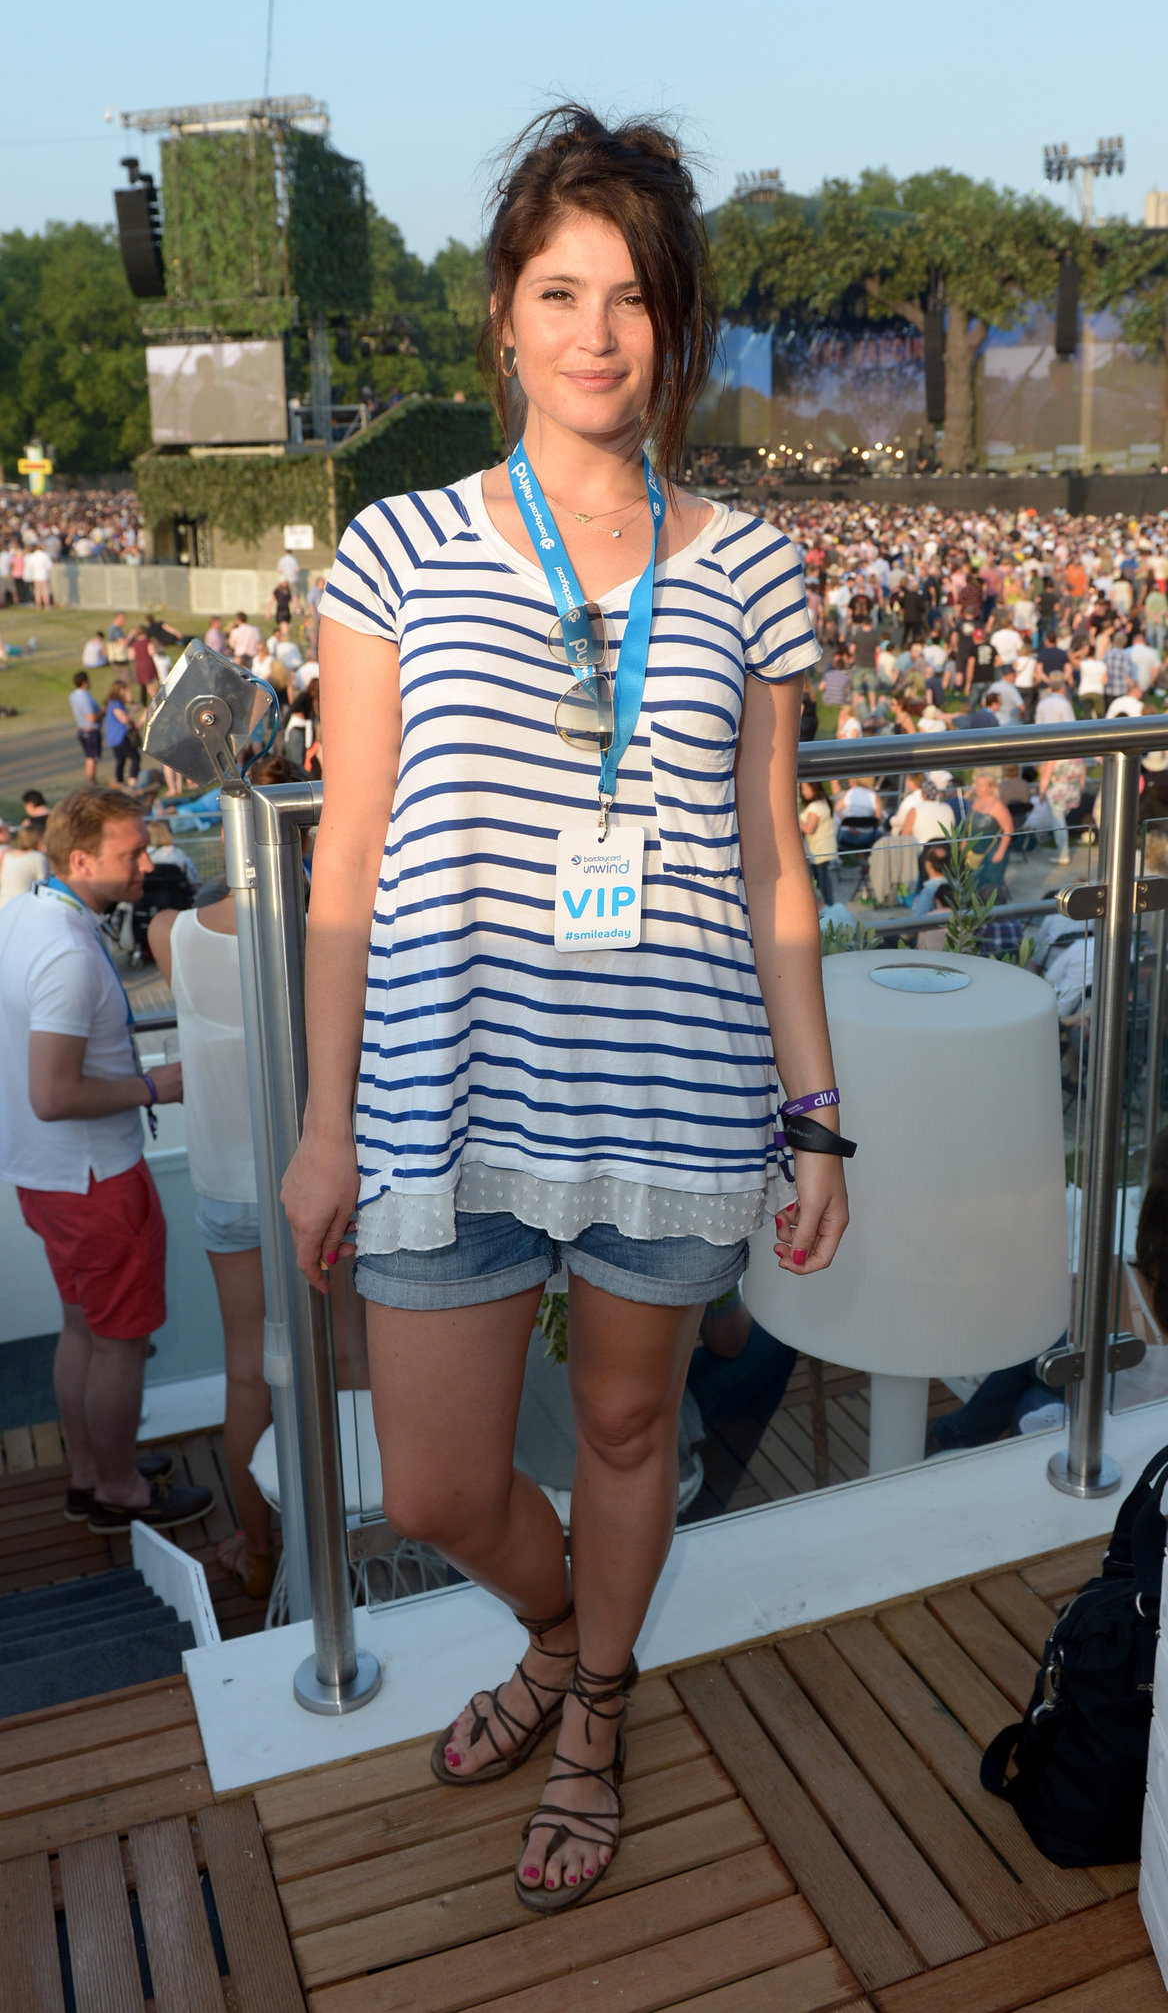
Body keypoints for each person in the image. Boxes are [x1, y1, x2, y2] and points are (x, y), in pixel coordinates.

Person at [279, 104, 850, 1912]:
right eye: (560, 288)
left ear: (670, 328)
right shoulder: (395, 550)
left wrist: (813, 1111)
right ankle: (551, 1632)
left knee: (623, 1433)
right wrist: (321, 1119)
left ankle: (592, 1702)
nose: (597, 331)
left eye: (632, 298)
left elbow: (771, 865)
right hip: (442, 1096)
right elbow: (344, 861)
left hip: (678, 1089)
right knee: (437, 1482)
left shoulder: (747, 562)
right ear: (503, 318)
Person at [0, 788, 212, 1533]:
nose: (146, 864)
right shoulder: (65, 949)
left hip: (43, 1174)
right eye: (132, 852)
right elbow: (55, 1092)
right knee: (120, 1345)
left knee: (81, 1330)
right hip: (93, 1178)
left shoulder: (22, 914)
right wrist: (159, 1085)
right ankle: (119, 1489)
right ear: (80, 859)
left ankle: (90, 1471)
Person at [148, 892, 274, 1598]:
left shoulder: (173, 932)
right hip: (319, 1182)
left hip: (229, 1186)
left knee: (248, 1373)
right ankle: (362, 1535)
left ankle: (256, 1550)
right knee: (348, 1358)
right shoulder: (330, 924)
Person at [799, 780, 837, 902]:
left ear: (814, 788)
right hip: (826, 847)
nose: (803, 792)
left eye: (806, 788)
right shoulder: (824, 803)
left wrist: (795, 820)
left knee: (820, 882)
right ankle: (829, 904)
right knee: (825, 879)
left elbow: (809, 829)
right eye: (802, 789)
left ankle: (825, 907)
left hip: (817, 849)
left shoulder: (815, 807)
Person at [0, 824, 49, 908]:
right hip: (22, 907)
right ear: (38, 840)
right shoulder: (38, 857)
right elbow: (43, 886)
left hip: (3, 906)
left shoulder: (8, 855)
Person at [103, 679, 140, 786]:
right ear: (120, 690)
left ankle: (120, 782)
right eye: (125, 690)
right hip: (119, 736)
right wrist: (134, 710)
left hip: (113, 738)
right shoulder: (115, 704)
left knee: (121, 760)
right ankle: (132, 781)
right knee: (135, 757)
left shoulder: (114, 703)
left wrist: (129, 700)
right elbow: (124, 719)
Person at [69, 671, 103, 783]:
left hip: (81, 730)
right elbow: (91, 718)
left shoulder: (73, 696)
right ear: (84, 682)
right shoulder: (85, 698)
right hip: (90, 731)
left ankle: (91, 780)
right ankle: (91, 781)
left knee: (89, 756)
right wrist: (103, 711)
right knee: (91, 758)